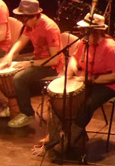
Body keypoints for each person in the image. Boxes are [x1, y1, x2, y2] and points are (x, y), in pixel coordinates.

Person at [43, 14, 115, 157]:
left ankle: (71, 139)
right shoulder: (84, 42)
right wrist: (70, 72)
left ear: (95, 31)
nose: (82, 34)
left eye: (85, 31)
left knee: (86, 104)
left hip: (107, 84)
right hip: (84, 79)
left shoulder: (111, 48)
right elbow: (74, 59)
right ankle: (57, 138)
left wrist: (92, 79)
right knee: (60, 99)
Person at [0, 0, 62, 128]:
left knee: (19, 78)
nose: (22, 22)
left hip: (51, 66)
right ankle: (15, 105)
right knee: (11, 67)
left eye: (24, 19)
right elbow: (22, 40)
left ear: (34, 16)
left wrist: (30, 64)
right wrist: (10, 56)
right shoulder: (30, 24)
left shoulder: (49, 28)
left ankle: (27, 114)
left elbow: (54, 59)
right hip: (37, 59)